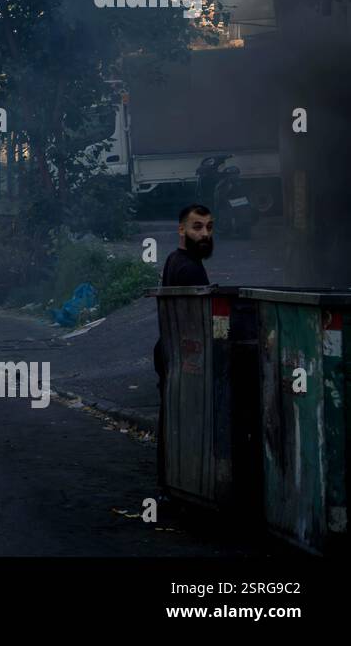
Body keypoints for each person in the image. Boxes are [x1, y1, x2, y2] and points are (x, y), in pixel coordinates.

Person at [154, 204, 214, 497]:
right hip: (186, 355)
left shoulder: (174, 259)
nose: (205, 234)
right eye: (197, 227)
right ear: (182, 230)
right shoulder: (189, 267)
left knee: (174, 417)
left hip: (172, 352)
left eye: (208, 227)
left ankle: (171, 482)